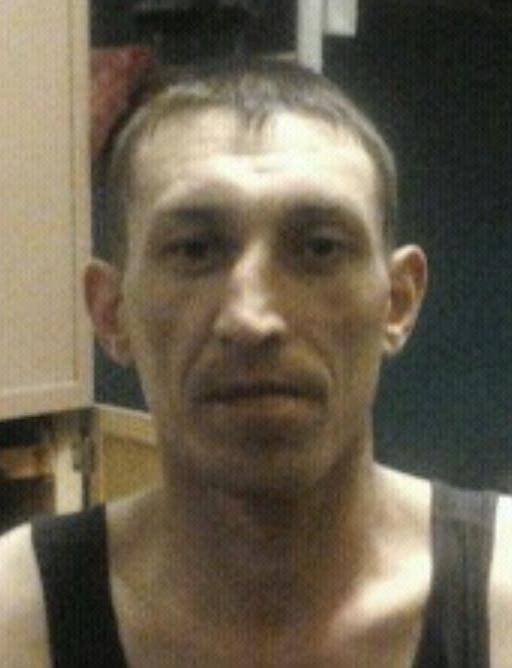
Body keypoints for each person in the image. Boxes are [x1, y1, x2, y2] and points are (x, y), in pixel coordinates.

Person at [0, 60, 511, 667]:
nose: (251, 318)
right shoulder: (14, 616)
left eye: (319, 248)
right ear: (112, 312)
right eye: (194, 250)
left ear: (397, 301)